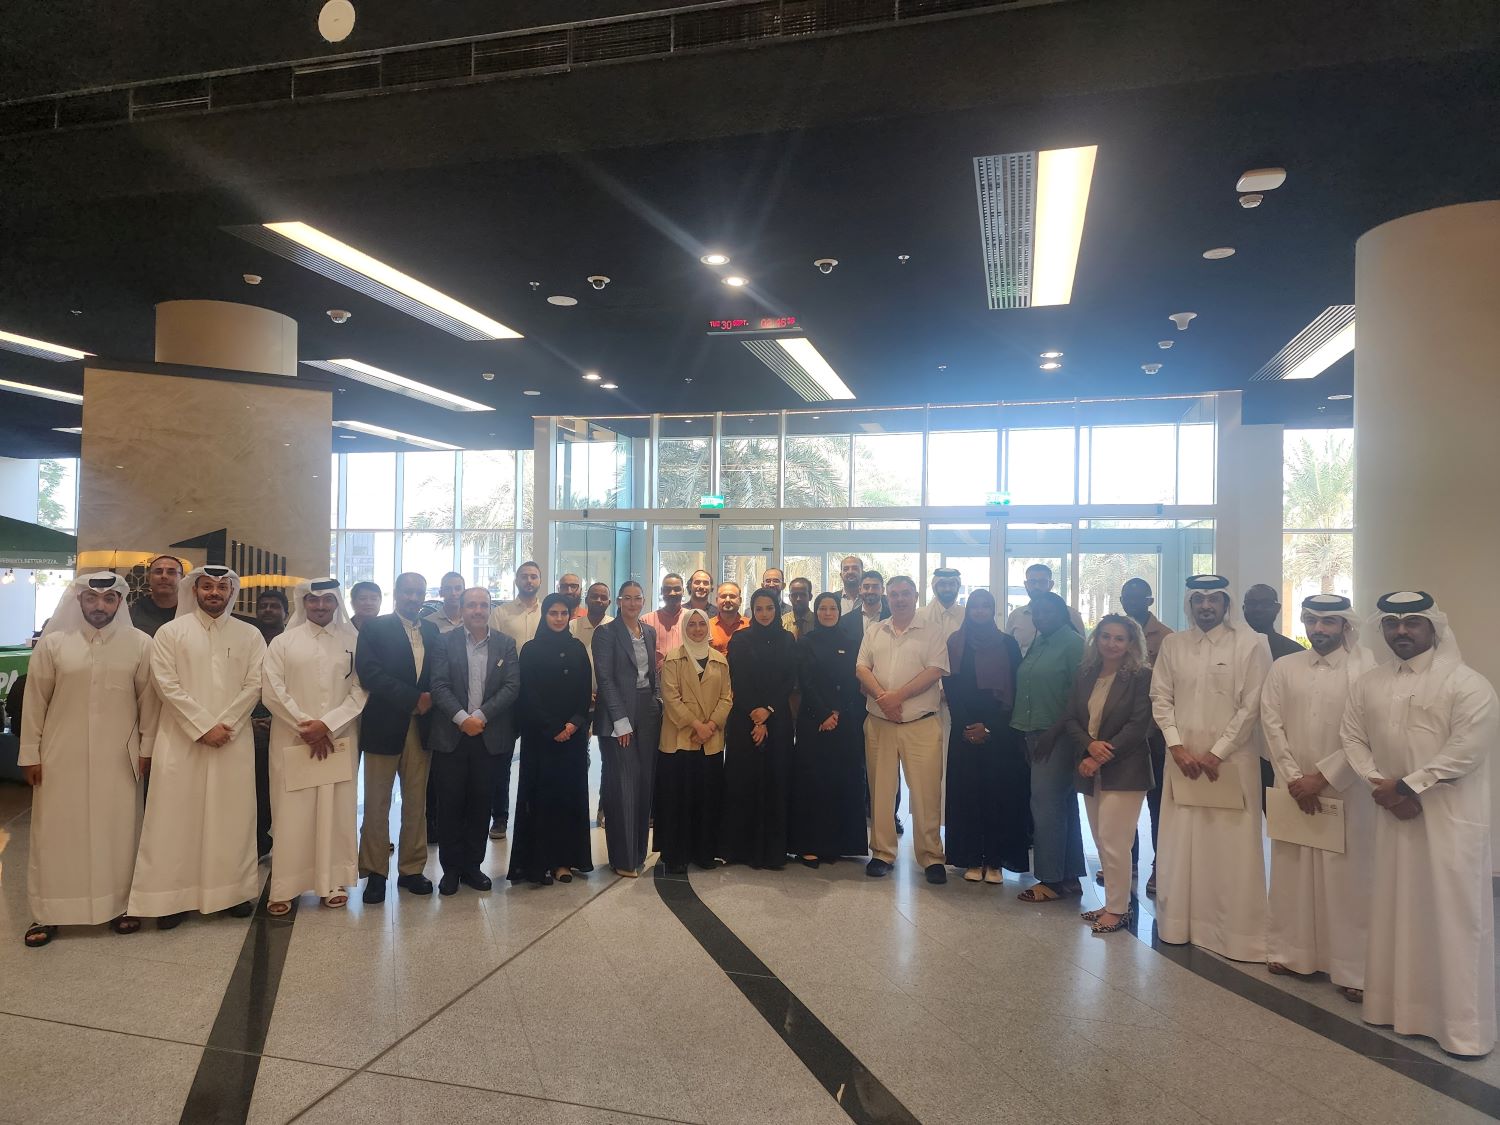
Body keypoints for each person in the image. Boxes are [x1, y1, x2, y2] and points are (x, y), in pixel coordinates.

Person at [1341, 591, 1497, 1056]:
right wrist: (1380, 785)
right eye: (1392, 623)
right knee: (1394, 908)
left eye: (1412, 622)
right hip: (1392, 814)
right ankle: (1393, 1008)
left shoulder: (1467, 683)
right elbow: (1351, 736)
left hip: (1448, 819)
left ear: (1433, 627)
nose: (1401, 631)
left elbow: (1467, 749)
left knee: (1452, 917)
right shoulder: (1369, 682)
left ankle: (1461, 1029)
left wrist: (1407, 788)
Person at [19, 573, 159, 948]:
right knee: (56, 833)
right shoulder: (54, 644)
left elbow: (148, 703)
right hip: (59, 756)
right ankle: (48, 912)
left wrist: (146, 749)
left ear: (120, 602)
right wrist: (30, 754)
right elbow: (34, 702)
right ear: (79, 600)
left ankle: (119, 906)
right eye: (92, 598)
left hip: (120, 758)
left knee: (118, 831)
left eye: (109, 599)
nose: (100, 606)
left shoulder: (139, 644)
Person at [128, 566, 265, 927]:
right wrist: (204, 727)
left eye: (221, 587)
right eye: (207, 586)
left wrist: (225, 725)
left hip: (231, 740)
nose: (214, 593)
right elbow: (165, 684)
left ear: (231, 592)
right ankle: (171, 898)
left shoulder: (250, 634)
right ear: (195, 590)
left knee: (231, 817)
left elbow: (255, 684)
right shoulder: (170, 633)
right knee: (175, 817)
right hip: (180, 740)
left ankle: (231, 892)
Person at [1150, 574, 1272, 961]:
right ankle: (1179, 925)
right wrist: (1176, 746)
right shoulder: (1174, 645)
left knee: (1231, 846)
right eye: (1198, 599)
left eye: (1213, 599)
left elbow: (1253, 705)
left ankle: (1236, 936)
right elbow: (1160, 698)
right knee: (1181, 842)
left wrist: (1218, 752)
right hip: (1182, 762)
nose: (1206, 606)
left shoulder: (1252, 644)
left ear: (1226, 604)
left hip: (1232, 763)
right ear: (1190, 604)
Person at [1261, 594, 1375, 1000]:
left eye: (1328, 622)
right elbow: (1270, 723)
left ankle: (1352, 968)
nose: (1318, 630)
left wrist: (1323, 778)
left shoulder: (1365, 669)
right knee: (1291, 869)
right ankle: (1289, 952)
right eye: (1311, 621)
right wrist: (1294, 778)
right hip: (1293, 788)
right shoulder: (1285, 667)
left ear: (1345, 625)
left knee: (1345, 879)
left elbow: (1366, 731)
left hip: (1346, 790)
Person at [260, 578, 368, 915]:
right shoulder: (284, 642)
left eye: (327, 600)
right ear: (303, 603)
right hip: (293, 739)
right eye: (313, 600)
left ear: (337, 603)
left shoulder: (353, 641)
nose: (320, 606)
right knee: (292, 812)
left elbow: (361, 690)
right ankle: (285, 886)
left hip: (339, 738)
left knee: (336, 809)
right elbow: (272, 690)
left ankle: (332, 881)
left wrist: (328, 725)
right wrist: (307, 726)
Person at [1064, 615, 1154, 934]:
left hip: (1125, 768)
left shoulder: (1141, 676)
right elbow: (1071, 718)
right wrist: (1089, 746)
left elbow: (1139, 725)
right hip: (1090, 765)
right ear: (1096, 639)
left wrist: (1101, 755)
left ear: (1131, 643)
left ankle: (1119, 910)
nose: (1111, 644)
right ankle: (1112, 902)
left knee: (1116, 840)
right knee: (1102, 838)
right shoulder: (1086, 673)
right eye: (1105, 636)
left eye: (1119, 638)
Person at [856, 575, 950, 883]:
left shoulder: (932, 631)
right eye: (894, 594)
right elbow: (861, 668)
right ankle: (882, 853)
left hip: (920, 724)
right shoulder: (875, 630)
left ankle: (931, 857)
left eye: (905, 593)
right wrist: (884, 700)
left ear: (915, 596)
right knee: (881, 791)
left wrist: (897, 697)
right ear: (887, 597)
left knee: (926, 792)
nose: (899, 599)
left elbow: (935, 670)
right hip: (879, 723)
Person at [354, 571, 440, 903]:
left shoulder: (432, 630)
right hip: (383, 725)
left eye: (419, 592)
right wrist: (412, 699)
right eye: (408, 592)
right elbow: (369, 673)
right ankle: (376, 872)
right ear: (396, 593)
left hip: (421, 728)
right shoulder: (375, 628)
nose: (414, 598)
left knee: (416, 803)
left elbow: (440, 674)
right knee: (377, 803)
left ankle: (411, 870)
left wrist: (429, 698)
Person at [428, 587, 519, 895]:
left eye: (483, 605)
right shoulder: (444, 641)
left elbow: (511, 687)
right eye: (471, 605)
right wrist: (462, 718)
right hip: (451, 736)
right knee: (450, 805)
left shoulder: (506, 644)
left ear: (490, 608)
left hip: (488, 736)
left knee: (481, 805)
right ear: (462, 608)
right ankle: (451, 870)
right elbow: (438, 685)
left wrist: (479, 716)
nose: (478, 610)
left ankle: (472, 867)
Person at [942, 589, 1028, 885]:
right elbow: (950, 687)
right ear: (968, 610)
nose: (979, 611)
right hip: (963, 729)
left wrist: (989, 727)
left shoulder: (1007, 644)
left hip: (999, 731)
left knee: (997, 796)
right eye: (975, 606)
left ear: (993, 610)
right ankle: (970, 857)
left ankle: (994, 860)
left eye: (985, 606)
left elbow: (1015, 687)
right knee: (967, 795)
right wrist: (967, 726)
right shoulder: (955, 642)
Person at [509, 594, 594, 885]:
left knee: (568, 798)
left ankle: (564, 861)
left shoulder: (577, 648)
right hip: (540, 738)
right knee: (540, 798)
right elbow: (527, 694)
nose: (559, 618)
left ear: (570, 616)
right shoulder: (531, 650)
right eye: (553, 613)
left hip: (573, 738)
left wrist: (573, 724)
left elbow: (585, 691)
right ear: (544, 616)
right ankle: (538, 863)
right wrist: (553, 727)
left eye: (563, 613)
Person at [1012, 591, 1086, 902]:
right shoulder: (1040, 641)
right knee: (1061, 805)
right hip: (1034, 733)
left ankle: (1050, 880)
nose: (1041, 618)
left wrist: (1053, 733)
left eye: (1047, 612)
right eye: (1036, 613)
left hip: (1057, 736)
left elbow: (1079, 696)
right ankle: (1069, 876)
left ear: (1062, 614)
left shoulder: (1073, 643)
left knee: (1045, 806)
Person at [789, 593, 870, 866]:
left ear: (838, 612)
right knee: (813, 782)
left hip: (844, 721)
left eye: (832, 608)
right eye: (822, 608)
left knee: (841, 780)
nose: (827, 613)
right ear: (816, 612)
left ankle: (839, 843)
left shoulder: (852, 642)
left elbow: (855, 681)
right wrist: (824, 713)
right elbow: (805, 681)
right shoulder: (806, 642)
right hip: (813, 722)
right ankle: (809, 845)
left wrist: (837, 712)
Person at [721, 589, 798, 869]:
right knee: (744, 782)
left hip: (778, 720)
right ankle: (740, 849)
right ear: (752, 611)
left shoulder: (787, 639)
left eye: (769, 608)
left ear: (777, 610)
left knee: (776, 781)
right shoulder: (740, 639)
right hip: (744, 717)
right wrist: (755, 714)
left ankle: (774, 851)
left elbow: (789, 679)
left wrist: (768, 711)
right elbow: (737, 678)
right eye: (759, 608)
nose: (764, 613)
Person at [656, 607, 732, 873]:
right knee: (678, 798)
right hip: (680, 739)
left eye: (701, 624)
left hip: (710, 740)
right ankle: (676, 854)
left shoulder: (720, 660)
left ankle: (704, 852)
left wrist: (710, 726)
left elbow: (726, 698)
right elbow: (670, 697)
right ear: (684, 628)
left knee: (707, 798)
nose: (697, 629)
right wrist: (697, 725)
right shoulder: (673, 658)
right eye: (692, 625)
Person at [593, 581, 660, 877]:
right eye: (627, 598)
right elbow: (605, 679)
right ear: (619, 601)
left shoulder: (649, 631)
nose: (633, 603)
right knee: (622, 785)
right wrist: (621, 722)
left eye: (638, 598)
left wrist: (657, 704)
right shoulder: (606, 633)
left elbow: (651, 675)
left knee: (644, 783)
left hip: (648, 712)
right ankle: (622, 858)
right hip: (618, 715)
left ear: (643, 601)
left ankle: (637, 853)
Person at [1119, 577, 1173, 895]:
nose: (1130, 602)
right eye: (1125, 597)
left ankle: (1159, 867)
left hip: (1154, 735)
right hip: (1121, 732)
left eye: (1136, 597)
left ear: (1149, 601)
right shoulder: (1116, 632)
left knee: (1157, 805)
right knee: (1124, 802)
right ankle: (1127, 862)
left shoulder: (1166, 637)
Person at [487, 561, 542, 840]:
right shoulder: (500, 613)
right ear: (516, 580)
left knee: (538, 758)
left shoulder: (549, 611)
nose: (529, 581)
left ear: (540, 580)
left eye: (533, 576)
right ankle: (500, 817)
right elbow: (492, 650)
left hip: (540, 695)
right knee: (502, 759)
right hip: (508, 694)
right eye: (524, 576)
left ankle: (536, 813)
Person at [248, 587, 288, 862]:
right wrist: (248, 720)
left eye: (275, 606)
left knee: (284, 788)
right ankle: (259, 842)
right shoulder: (248, 640)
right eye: (263, 606)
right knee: (256, 788)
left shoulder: (292, 641)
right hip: (249, 725)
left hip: (285, 725)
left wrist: (279, 720)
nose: (268, 610)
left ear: (286, 611)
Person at [572, 581, 614, 829]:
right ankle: (576, 808)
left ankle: (604, 809)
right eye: (594, 596)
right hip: (579, 702)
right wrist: (583, 692)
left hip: (608, 703)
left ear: (609, 602)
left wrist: (606, 694)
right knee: (579, 757)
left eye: (603, 597)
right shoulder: (573, 627)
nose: (598, 600)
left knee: (610, 758)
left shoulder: (615, 627)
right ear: (586, 599)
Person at [1004, 564, 1085, 656]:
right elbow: (1008, 648)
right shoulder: (1015, 615)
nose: (1037, 586)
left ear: (1051, 585)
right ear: (1026, 585)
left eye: (1042, 582)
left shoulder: (1070, 614)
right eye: (1032, 582)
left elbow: (1081, 649)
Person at [642, 572, 686, 673]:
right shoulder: (646, 620)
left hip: (686, 677)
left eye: (677, 589)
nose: (672, 593)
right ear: (661, 591)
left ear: (683, 591)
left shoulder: (692, 619)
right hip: (656, 678)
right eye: (667, 589)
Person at [129, 554, 183, 636]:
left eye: (171, 572)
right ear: (149, 577)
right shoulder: (132, 614)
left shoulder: (191, 611)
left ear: (182, 578)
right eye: (158, 572)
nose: (164, 576)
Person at [840, 570, 890, 642]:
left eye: (875, 587)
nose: (870, 591)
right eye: (866, 587)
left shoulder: (893, 618)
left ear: (882, 590)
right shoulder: (845, 621)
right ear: (860, 590)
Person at [922, 567, 965, 639]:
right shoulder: (921, 615)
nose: (947, 589)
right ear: (935, 587)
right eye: (942, 584)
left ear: (957, 587)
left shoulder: (966, 615)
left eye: (952, 584)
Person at [710, 582, 748, 655]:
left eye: (732, 596)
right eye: (723, 596)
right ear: (716, 600)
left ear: (740, 601)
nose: (727, 600)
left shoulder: (750, 625)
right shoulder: (707, 626)